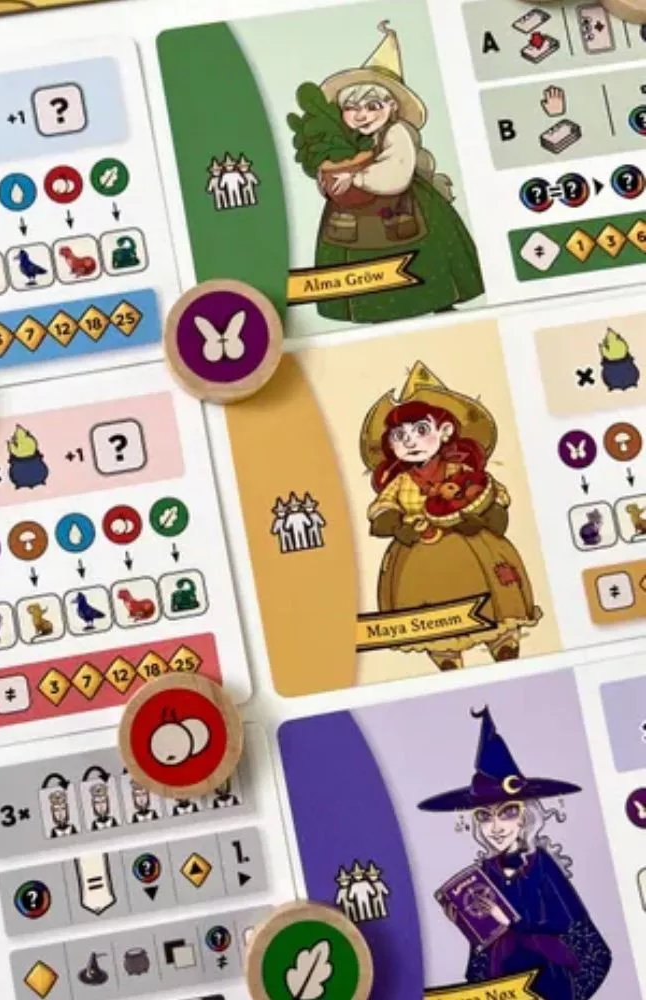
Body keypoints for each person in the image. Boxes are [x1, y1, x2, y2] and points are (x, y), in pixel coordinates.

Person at [419, 708, 611, 1000]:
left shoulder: (542, 866)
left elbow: (591, 951)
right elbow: (483, 958)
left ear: (525, 817)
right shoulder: (485, 873)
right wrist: (470, 926)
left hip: (549, 987)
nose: (496, 828)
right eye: (484, 816)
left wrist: (510, 921)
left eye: (508, 812)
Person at [361, 361, 541, 670]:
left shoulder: (462, 471)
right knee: (427, 599)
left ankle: (502, 641)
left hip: (474, 543)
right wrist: (396, 524)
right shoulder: (400, 482)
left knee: (493, 592)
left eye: (420, 430)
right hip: (419, 549)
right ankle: (445, 655)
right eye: (399, 435)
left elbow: (492, 495)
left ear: (444, 432)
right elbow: (384, 508)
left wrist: (488, 515)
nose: (410, 441)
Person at [310, 22, 483, 323]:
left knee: (419, 251)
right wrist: (328, 180)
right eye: (352, 107)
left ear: (392, 106)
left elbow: (396, 171)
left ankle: (435, 301)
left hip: (403, 204)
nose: (362, 115)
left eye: (372, 105)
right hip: (353, 209)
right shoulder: (347, 140)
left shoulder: (398, 133)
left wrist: (356, 178)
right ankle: (373, 310)